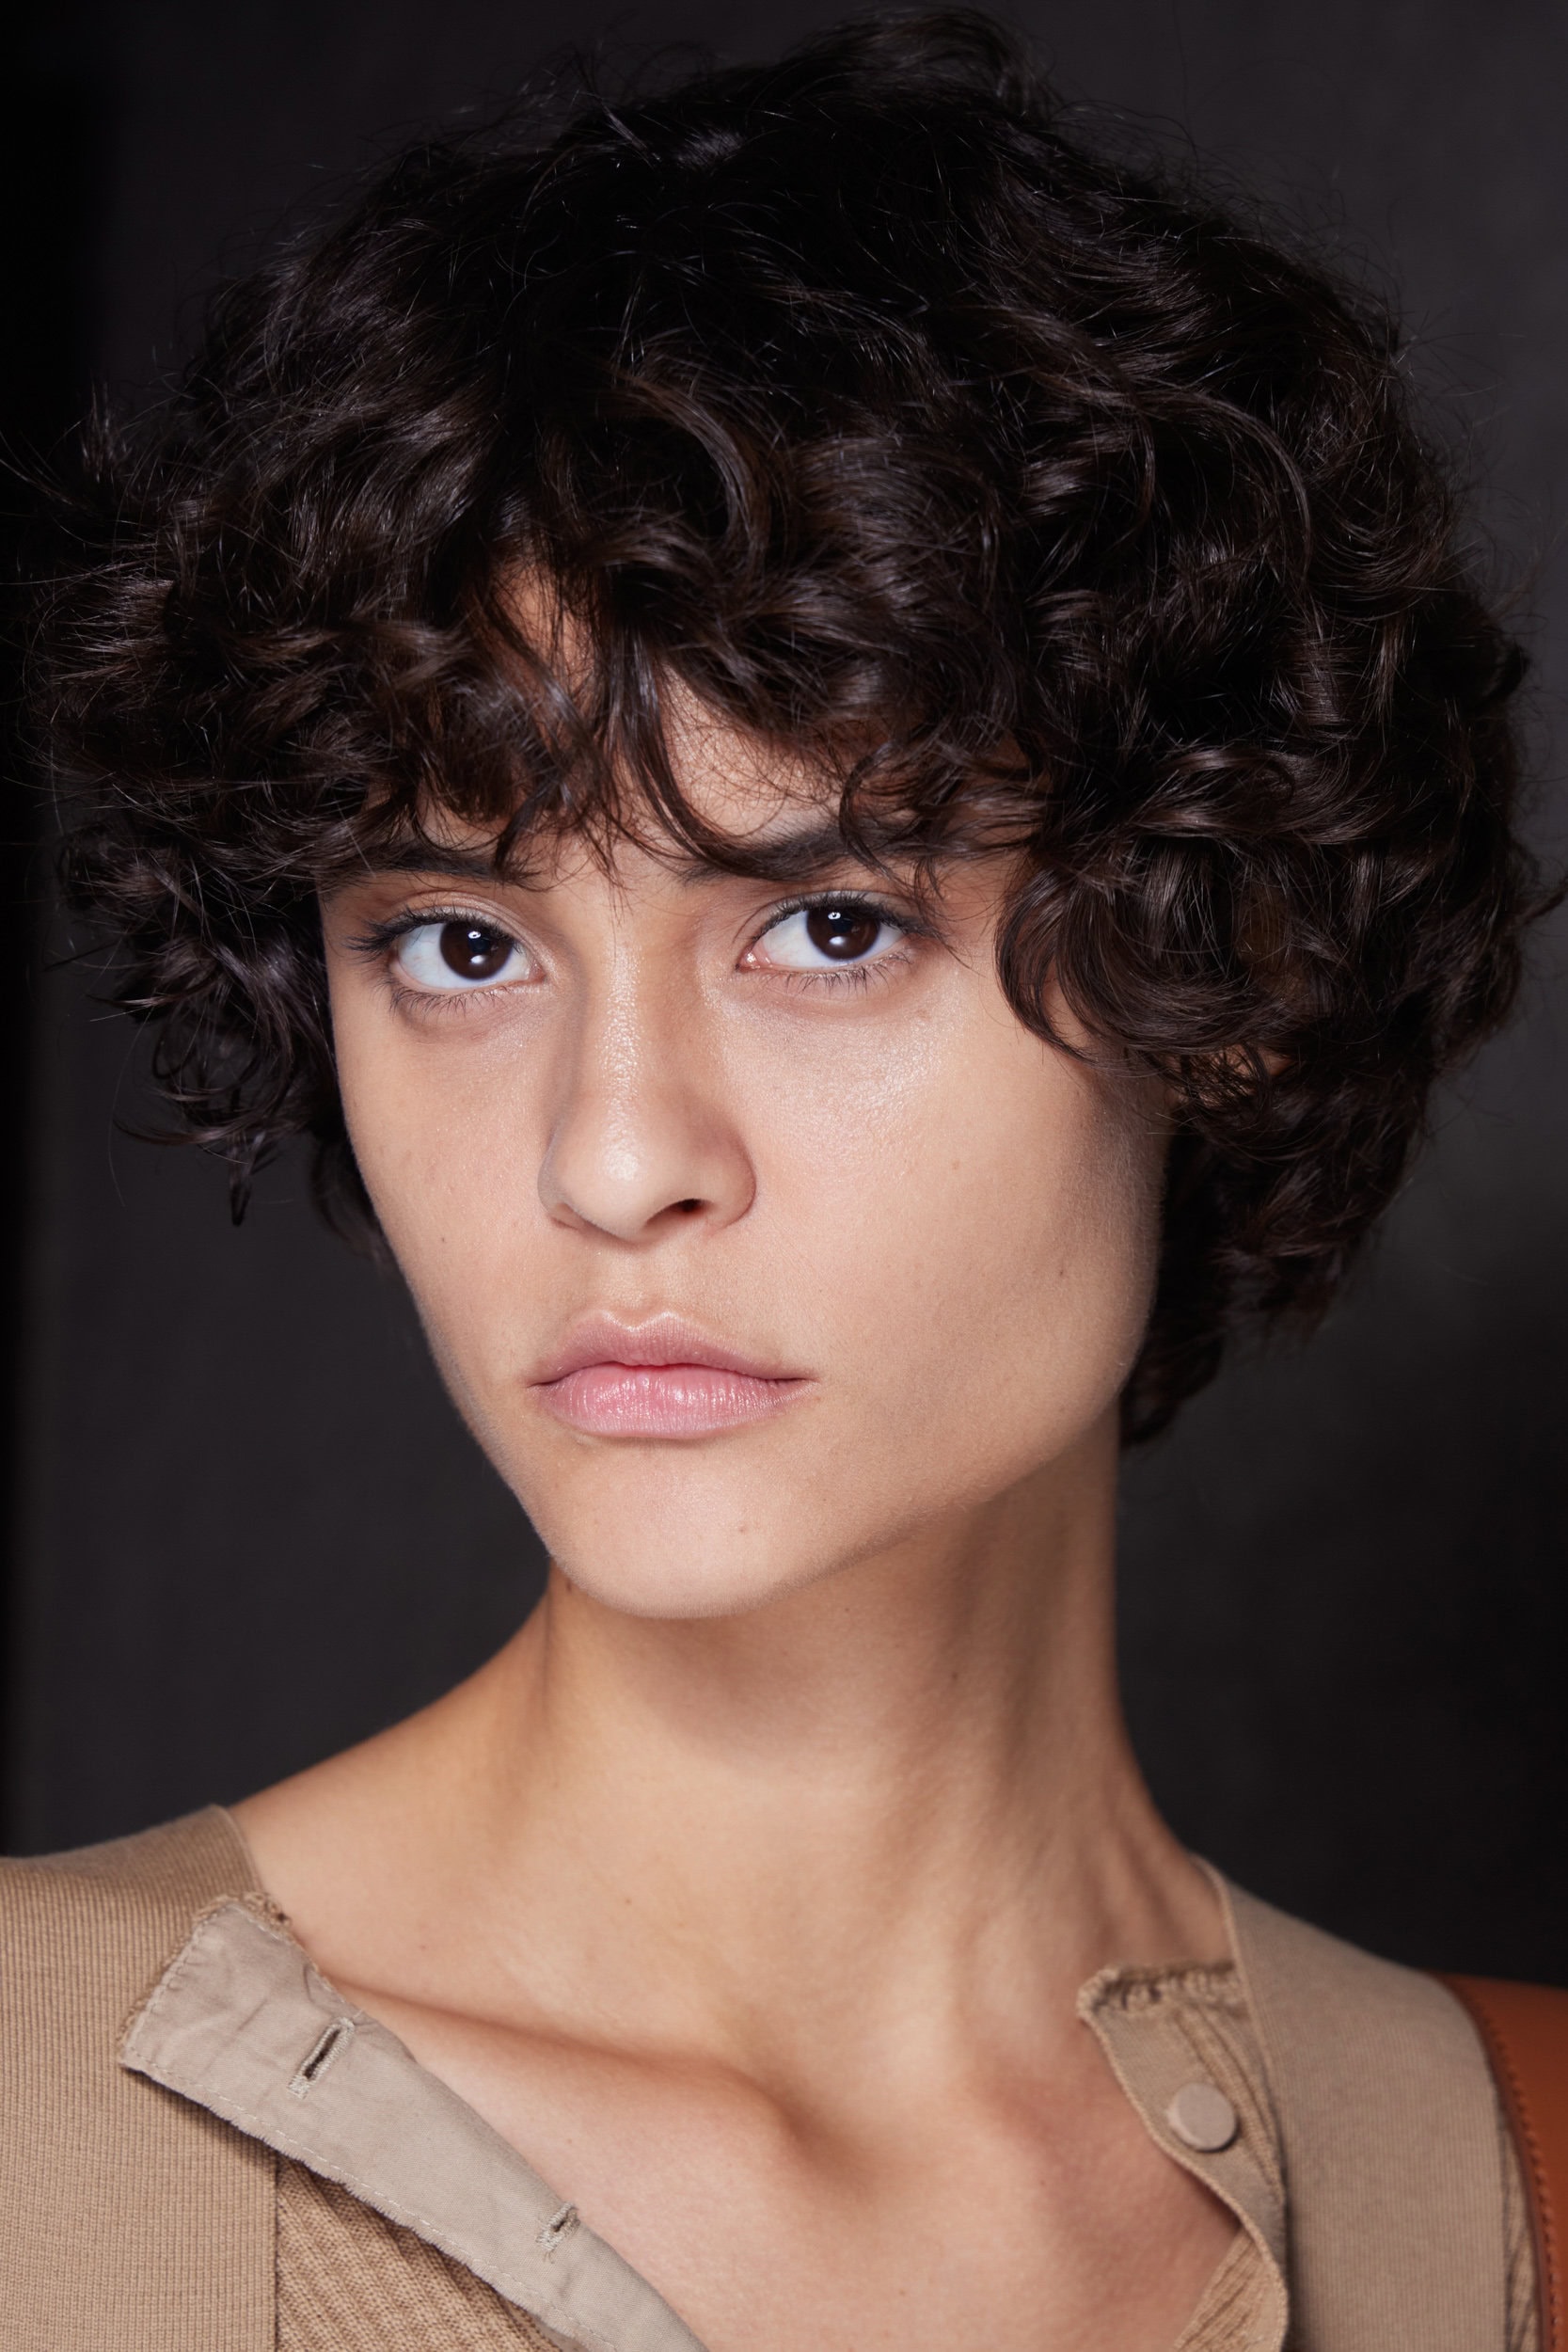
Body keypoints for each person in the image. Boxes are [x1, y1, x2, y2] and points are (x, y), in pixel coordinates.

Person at [4, 13, 1548, 2350]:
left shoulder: (1511, 2184)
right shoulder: (35, 2120)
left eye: (829, 926)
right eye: (459, 943)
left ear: (1225, 961)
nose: (614, 1155)